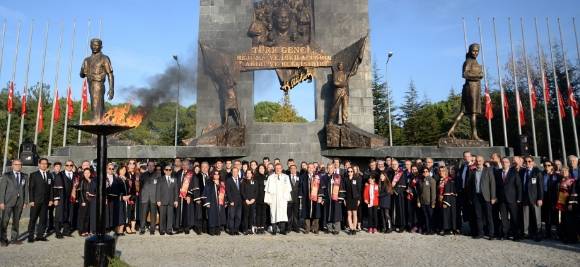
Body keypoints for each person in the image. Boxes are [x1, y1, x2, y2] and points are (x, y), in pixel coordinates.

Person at [0, 160, 28, 246]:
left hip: (19, 202)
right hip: (7, 202)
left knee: (16, 221)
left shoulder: (25, 176)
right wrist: (1, 202)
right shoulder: (6, 175)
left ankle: (14, 238)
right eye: (16, 164)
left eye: (20, 164)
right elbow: (2, 190)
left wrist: (25, 201)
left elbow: (26, 189)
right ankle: (3, 239)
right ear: (12, 165)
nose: (18, 166)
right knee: (5, 221)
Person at [469, 156, 496, 240]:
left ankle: (491, 234)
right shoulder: (473, 172)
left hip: (486, 197)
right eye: (477, 161)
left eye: (480, 161)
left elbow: (492, 184)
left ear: (483, 161)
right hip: (476, 196)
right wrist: (471, 197)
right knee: (478, 216)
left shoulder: (488, 171)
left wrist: (493, 197)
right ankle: (480, 233)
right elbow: (470, 186)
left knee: (489, 216)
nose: (478, 162)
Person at [495, 157, 522, 241]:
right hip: (501, 199)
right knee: (504, 218)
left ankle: (515, 235)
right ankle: (505, 234)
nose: (504, 163)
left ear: (509, 164)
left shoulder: (514, 172)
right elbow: (496, 186)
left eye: (506, 162)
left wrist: (519, 198)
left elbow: (519, 186)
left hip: (512, 199)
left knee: (514, 218)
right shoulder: (498, 172)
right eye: (503, 162)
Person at [27, 158, 53, 242]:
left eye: (46, 164)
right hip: (36, 201)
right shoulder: (34, 175)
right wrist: (31, 200)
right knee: (33, 219)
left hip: (45, 202)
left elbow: (51, 189)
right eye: (42, 163)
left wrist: (51, 199)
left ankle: (40, 235)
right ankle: (30, 236)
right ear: (39, 164)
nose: (44, 165)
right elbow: (31, 188)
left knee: (43, 219)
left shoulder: (49, 175)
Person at [264, 163, 292, 235]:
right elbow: (267, 189)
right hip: (274, 199)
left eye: (279, 168)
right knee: (273, 214)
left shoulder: (286, 177)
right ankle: (274, 230)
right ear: (274, 169)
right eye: (276, 168)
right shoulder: (271, 177)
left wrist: (286, 198)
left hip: (282, 199)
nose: (278, 169)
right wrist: (268, 199)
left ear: (282, 169)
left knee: (282, 214)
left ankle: (282, 230)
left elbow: (288, 188)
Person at [521, 156, 543, 241]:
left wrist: (540, 198)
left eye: (529, 161)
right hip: (525, 198)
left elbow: (540, 187)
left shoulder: (537, 172)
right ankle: (526, 233)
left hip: (535, 198)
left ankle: (538, 234)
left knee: (537, 217)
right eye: (526, 162)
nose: (527, 163)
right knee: (526, 216)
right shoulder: (523, 172)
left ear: (533, 162)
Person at [52, 160, 74, 239]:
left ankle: (66, 231)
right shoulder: (60, 174)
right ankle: (57, 232)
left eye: (71, 165)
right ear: (65, 166)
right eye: (67, 165)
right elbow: (55, 188)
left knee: (68, 214)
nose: (69, 166)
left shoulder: (75, 175)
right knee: (58, 215)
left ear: (73, 166)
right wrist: (56, 199)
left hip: (70, 199)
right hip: (61, 198)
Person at [300, 163, 323, 234]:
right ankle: (307, 228)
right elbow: (300, 187)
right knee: (306, 213)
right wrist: (300, 196)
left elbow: (320, 187)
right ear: (307, 168)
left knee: (316, 212)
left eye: (312, 167)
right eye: (309, 167)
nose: (310, 169)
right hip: (306, 197)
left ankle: (315, 228)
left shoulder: (317, 177)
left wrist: (320, 196)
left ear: (314, 168)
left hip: (315, 197)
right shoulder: (303, 176)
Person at [556, 167, 577, 243]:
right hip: (561, 203)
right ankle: (563, 236)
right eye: (563, 171)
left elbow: (573, 192)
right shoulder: (560, 180)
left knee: (570, 221)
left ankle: (571, 238)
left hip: (568, 203)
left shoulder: (572, 180)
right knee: (562, 220)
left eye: (566, 171)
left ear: (568, 172)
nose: (564, 172)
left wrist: (571, 203)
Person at [203, 171, 227, 236]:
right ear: (213, 175)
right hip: (212, 202)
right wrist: (207, 202)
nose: (216, 176)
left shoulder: (222, 183)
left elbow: (224, 193)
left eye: (218, 174)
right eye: (215, 174)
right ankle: (212, 230)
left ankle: (218, 230)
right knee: (212, 216)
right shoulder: (209, 182)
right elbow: (206, 193)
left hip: (220, 202)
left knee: (219, 215)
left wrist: (225, 202)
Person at [156, 164, 178, 235]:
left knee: (170, 217)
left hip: (171, 201)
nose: (168, 171)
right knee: (162, 216)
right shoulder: (160, 179)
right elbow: (158, 190)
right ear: (164, 171)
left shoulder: (174, 179)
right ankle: (162, 230)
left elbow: (176, 191)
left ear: (171, 171)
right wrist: (158, 200)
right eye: (166, 170)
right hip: (162, 201)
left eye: (169, 170)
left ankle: (169, 230)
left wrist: (176, 200)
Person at [542, 161, 560, 239]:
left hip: (554, 198)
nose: (547, 167)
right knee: (546, 216)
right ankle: (548, 233)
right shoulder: (542, 174)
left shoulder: (557, 176)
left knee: (555, 216)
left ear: (552, 166)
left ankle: (557, 233)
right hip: (545, 197)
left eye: (549, 165)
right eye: (545, 165)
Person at [139, 161, 158, 235]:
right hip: (145, 197)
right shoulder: (143, 175)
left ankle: (152, 229)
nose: (150, 167)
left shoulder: (158, 175)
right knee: (143, 214)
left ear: (154, 167)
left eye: (152, 165)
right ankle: (142, 229)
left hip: (154, 197)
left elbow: (159, 187)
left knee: (153, 214)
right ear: (147, 166)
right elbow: (140, 186)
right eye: (149, 165)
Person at [438, 167, 457, 236]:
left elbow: (450, 192)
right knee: (443, 215)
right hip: (441, 200)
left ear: (446, 172)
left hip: (448, 200)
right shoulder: (441, 180)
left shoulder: (450, 180)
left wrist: (445, 202)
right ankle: (444, 228)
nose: (441, 172)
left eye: (443, 171)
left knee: (448, 215)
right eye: (440, 171)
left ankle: (448, 229)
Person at [417, 167, 436, 235]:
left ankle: (432, 230)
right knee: (425, 216)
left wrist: (433, 202)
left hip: (429, 202)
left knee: (431, 216)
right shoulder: (420, 180)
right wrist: (418, 201)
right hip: (423, 202)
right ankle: (428, 230)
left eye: (426, 171)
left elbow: (433, 192)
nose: (425, 172)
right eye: (424, 171)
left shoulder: (432, 180)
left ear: (428, 172)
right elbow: (419, 192)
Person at [78, 168, 96, 236]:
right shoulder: (82, 181)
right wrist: (83, 201)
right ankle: (81, 230)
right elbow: (81, 192)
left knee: (88, 216)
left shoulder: (92, 180)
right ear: (83, 174)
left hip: (90, 201)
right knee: (83, 216)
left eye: (88, 173)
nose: (87, 174)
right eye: (85, 173)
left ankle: (86, 230)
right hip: (84, 200)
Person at [225, 167, 243, 235]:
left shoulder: (240, 180)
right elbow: (228, 191)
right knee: (231, 216)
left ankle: (236, 230)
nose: (235, 173)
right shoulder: (228, 180)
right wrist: (230, 201)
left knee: (238, 216)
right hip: (232, 201)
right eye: (234, 172)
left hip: (240, 201)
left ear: (238, 172)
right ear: (232, 172)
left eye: (236, 171)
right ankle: (231, 230)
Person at [345, 167, 361, 235]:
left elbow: (359, 190)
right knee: (349, 214)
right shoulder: (345, 179)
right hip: (348, 198)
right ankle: (351, 228)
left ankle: (354, 228)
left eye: (351, 171)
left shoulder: (356, 179)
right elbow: (344, 190)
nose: (350, 172)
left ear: (353, 172)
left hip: (355, 198)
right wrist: (344, 199)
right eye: (348, 171)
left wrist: (359, 199)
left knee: (355, 213)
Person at [240, 169, 257, 235]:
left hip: (253, 201)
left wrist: (253, 199)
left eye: (250, 173)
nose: (248, 174)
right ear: (245, 174)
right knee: (245, 216)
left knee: (251, 216)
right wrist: (246, 199)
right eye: (247, 173)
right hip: (245, 201)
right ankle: (245, 229)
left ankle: (250, 229)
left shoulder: (255, 181)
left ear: (252, 174)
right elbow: (242, 191)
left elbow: (256, 191)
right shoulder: (243, 182)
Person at [254, 164, 269, 234]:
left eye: (262, 168)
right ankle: (258, 227)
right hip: (258, 198)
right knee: (258, 214)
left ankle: (262, 227)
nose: (261, 169)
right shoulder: (256, 177)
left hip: (265, 198)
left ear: (264, 169)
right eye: (260, 168)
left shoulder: (267, 177)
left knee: (263, 214)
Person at [287, 165, 301, 233]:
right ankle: (289, 227)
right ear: (290, 170)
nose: (293, 170)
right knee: (289, 214)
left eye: (294, 169)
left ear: (296, 169)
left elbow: (300, 187)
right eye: (291, 169)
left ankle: (296, 227)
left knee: (296, 214)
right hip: (289, 198)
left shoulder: (299, 177)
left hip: (296, 199)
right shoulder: (287, 177)